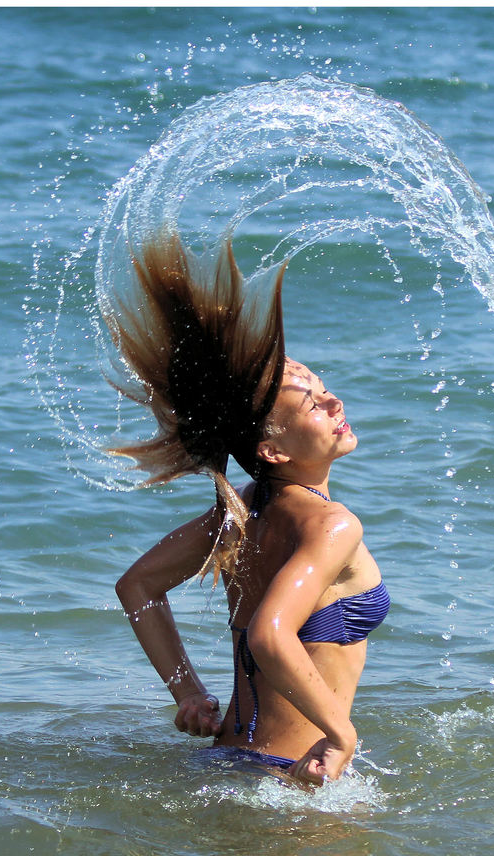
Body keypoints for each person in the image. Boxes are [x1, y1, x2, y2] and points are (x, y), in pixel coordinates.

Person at [110, 233, 389, 784]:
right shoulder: (333, 525)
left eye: (325, 389)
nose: (334, 402)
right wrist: (342, 735)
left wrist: (188, 692)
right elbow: (269, 635)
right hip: (291, 777)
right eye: (311, 402)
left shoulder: (242, 512)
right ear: (272, 450)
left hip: (225, 761)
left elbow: (137, 586)